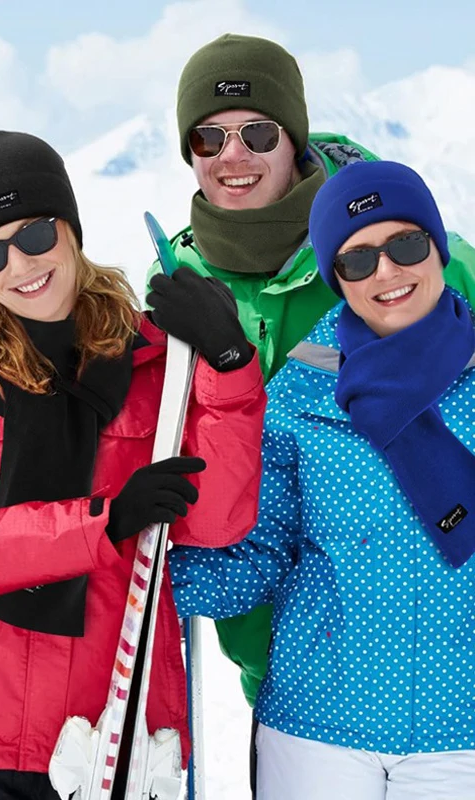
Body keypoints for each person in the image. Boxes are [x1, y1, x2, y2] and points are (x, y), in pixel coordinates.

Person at [0, 129, 266, 800]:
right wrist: (104, 524)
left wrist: (228, 364)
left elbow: (216, 521)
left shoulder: (157, 364)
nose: (21, 265)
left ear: (71, 227)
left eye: (35, 234)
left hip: (114, 729)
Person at [148, 33, 475, 793]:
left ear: (294, 134)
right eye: (209, 136)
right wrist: (121, 554)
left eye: (258, 131)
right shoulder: (181, 279)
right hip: (310, 685)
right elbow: (259, 538)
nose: (386, 272)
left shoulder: (449, 266)